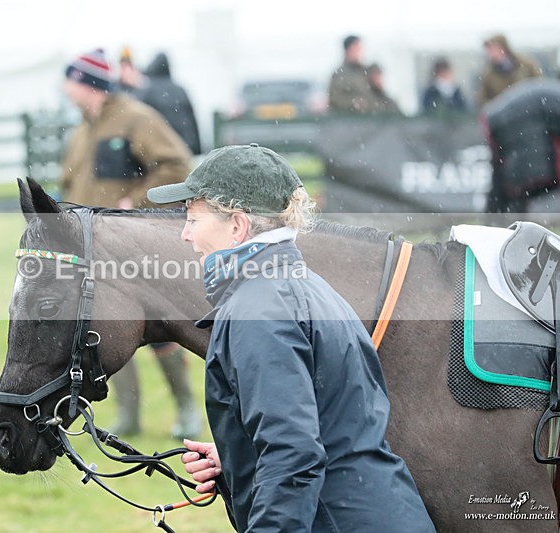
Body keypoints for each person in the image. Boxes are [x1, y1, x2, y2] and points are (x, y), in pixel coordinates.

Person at [146, 144, 435, 531]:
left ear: (237, 225)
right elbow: (329, 425)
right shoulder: (308, 287)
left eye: (193, 219)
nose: (185, 234)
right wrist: (239, 454)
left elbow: (293, 456)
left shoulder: (258, 310)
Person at [59, 48, 203, 439]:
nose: (64, 88)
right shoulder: (79, 132)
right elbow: (70, 186)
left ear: (89, 85)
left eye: (70, 80)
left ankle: (188, 410)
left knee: (159, 331)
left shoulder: (137, 118)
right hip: (92, 251)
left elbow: (177, 166)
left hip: (133, 247)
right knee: (104, 332)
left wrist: (134, 202)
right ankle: (129, 415)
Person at [482, 78, 560, 213]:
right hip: (518, 120)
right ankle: (505, 219)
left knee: (504, 178)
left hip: (502, 117)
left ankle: (495, 218)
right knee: (522, 184)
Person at [136, 52, 202, 155]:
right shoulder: (181, 90)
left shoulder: (147, 92)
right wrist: (198, 150)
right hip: (187, 147)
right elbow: (193, 123)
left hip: (161, 150)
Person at [477, 33, 543, 107]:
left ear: (504, 48)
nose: (491, 53)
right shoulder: (488, 75)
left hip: (529, 109)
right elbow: (483, 101)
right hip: (504, 115)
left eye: (494, 48)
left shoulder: (527, 66)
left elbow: (540, 86)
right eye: (489, 50)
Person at [328, 35, 375, 114]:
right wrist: (354, 103)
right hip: (349, 119)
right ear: (347, 50)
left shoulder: (366, 71)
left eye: (360, 49)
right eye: (355, 49)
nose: (359, 52)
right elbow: (334, 99)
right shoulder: (340, 74)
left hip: (369, 117)